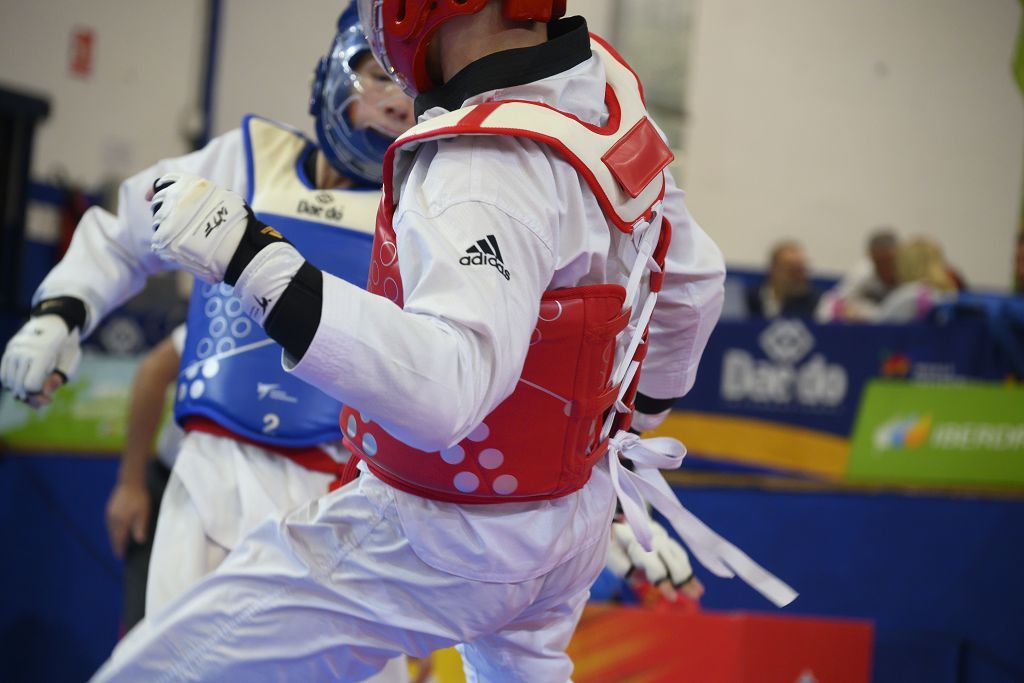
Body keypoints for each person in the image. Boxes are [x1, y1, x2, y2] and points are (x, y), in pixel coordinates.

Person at [90, 3, 795, 681]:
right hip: (567, 525)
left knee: (169, 666)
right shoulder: (601, 93)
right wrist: (615, 435)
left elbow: (443, 390)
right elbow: (696, 283)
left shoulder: (479, 159)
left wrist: (253, 258)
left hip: (441, 532)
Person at [1, 7, 415, 683]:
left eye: (415, 92)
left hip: (341, 498)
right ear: (332, 77)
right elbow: (125, 226)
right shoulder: (246, 161)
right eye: (379, 76)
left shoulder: (422, 212)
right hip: (207, 478)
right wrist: (60, 310)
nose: (398, 103)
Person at [105, 325, 186, 631]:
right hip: (171, 487)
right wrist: (130, 484)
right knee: (145, 632)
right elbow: (154, 370)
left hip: (274, 502)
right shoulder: (235, 308)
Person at [817, 229, 900, 322]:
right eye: (880, 262)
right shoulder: (864, 271)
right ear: (871, 256)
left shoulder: (908, 274)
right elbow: (831, 305)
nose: (885, 268)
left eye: (889, 262)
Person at [746, 240, 821, 318]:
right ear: (774, 269)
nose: (799, 278)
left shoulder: (815, 303)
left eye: (802, 271)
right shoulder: (752, 298)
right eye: (792, 271)